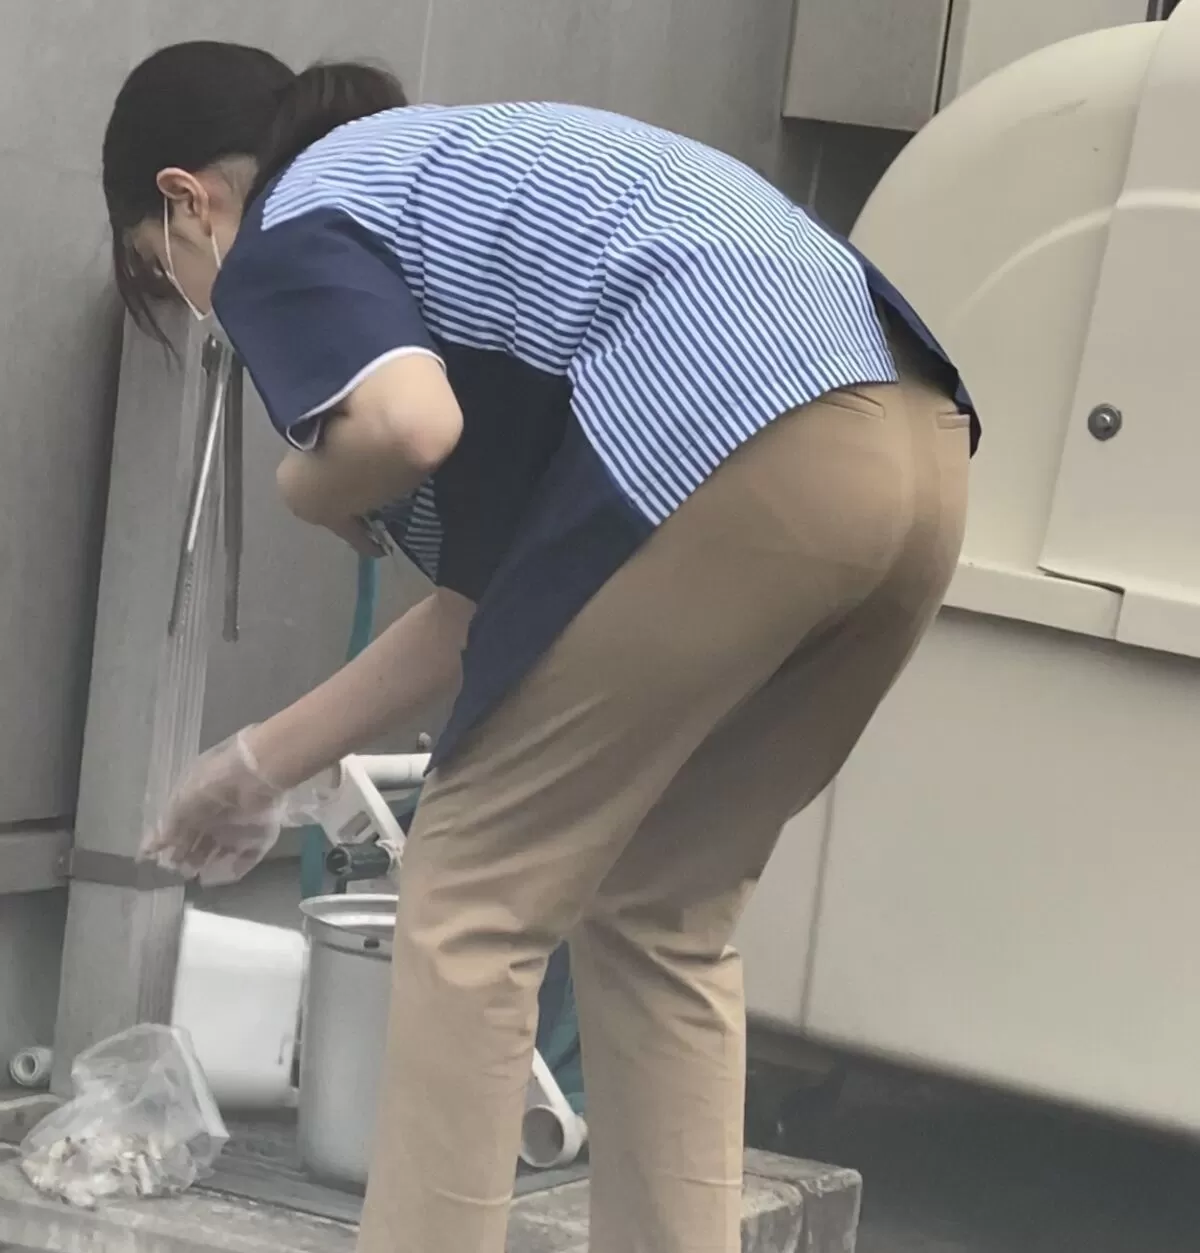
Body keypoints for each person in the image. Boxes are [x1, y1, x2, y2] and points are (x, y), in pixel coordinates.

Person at [102, 41, 977, 1253]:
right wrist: (257, 765)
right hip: (911, 446)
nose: (204, 299)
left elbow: (406, 423)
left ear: (186, 199)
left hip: (736, 428)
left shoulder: (295, 214)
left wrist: (315, 483)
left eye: (169, 269)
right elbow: (489, 621)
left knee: (469, 901)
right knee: (660, 909)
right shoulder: (457, 208)